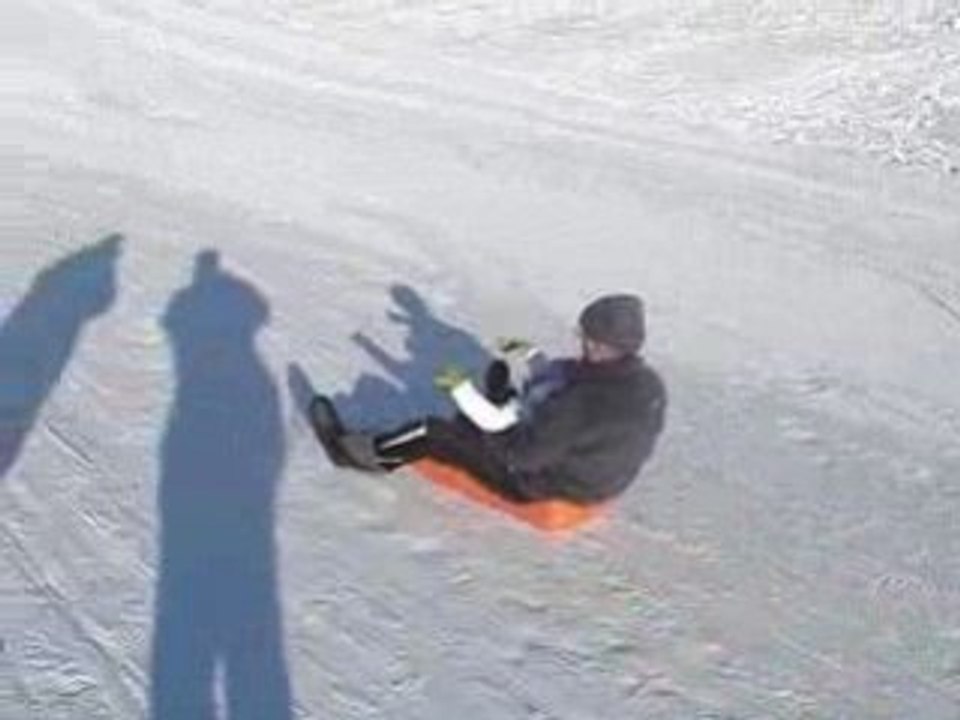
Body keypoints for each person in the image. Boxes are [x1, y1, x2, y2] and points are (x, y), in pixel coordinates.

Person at [310, 294, 667, 505]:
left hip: (544, 483)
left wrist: (477, 418)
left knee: (433, 431)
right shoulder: (650, 386)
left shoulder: (580, 402)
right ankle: (498, 402)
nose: (579, 342)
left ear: (597, 342)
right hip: (602, 480)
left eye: (583, 336)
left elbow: (520, 457)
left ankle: (354, 454)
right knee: (511, 401)